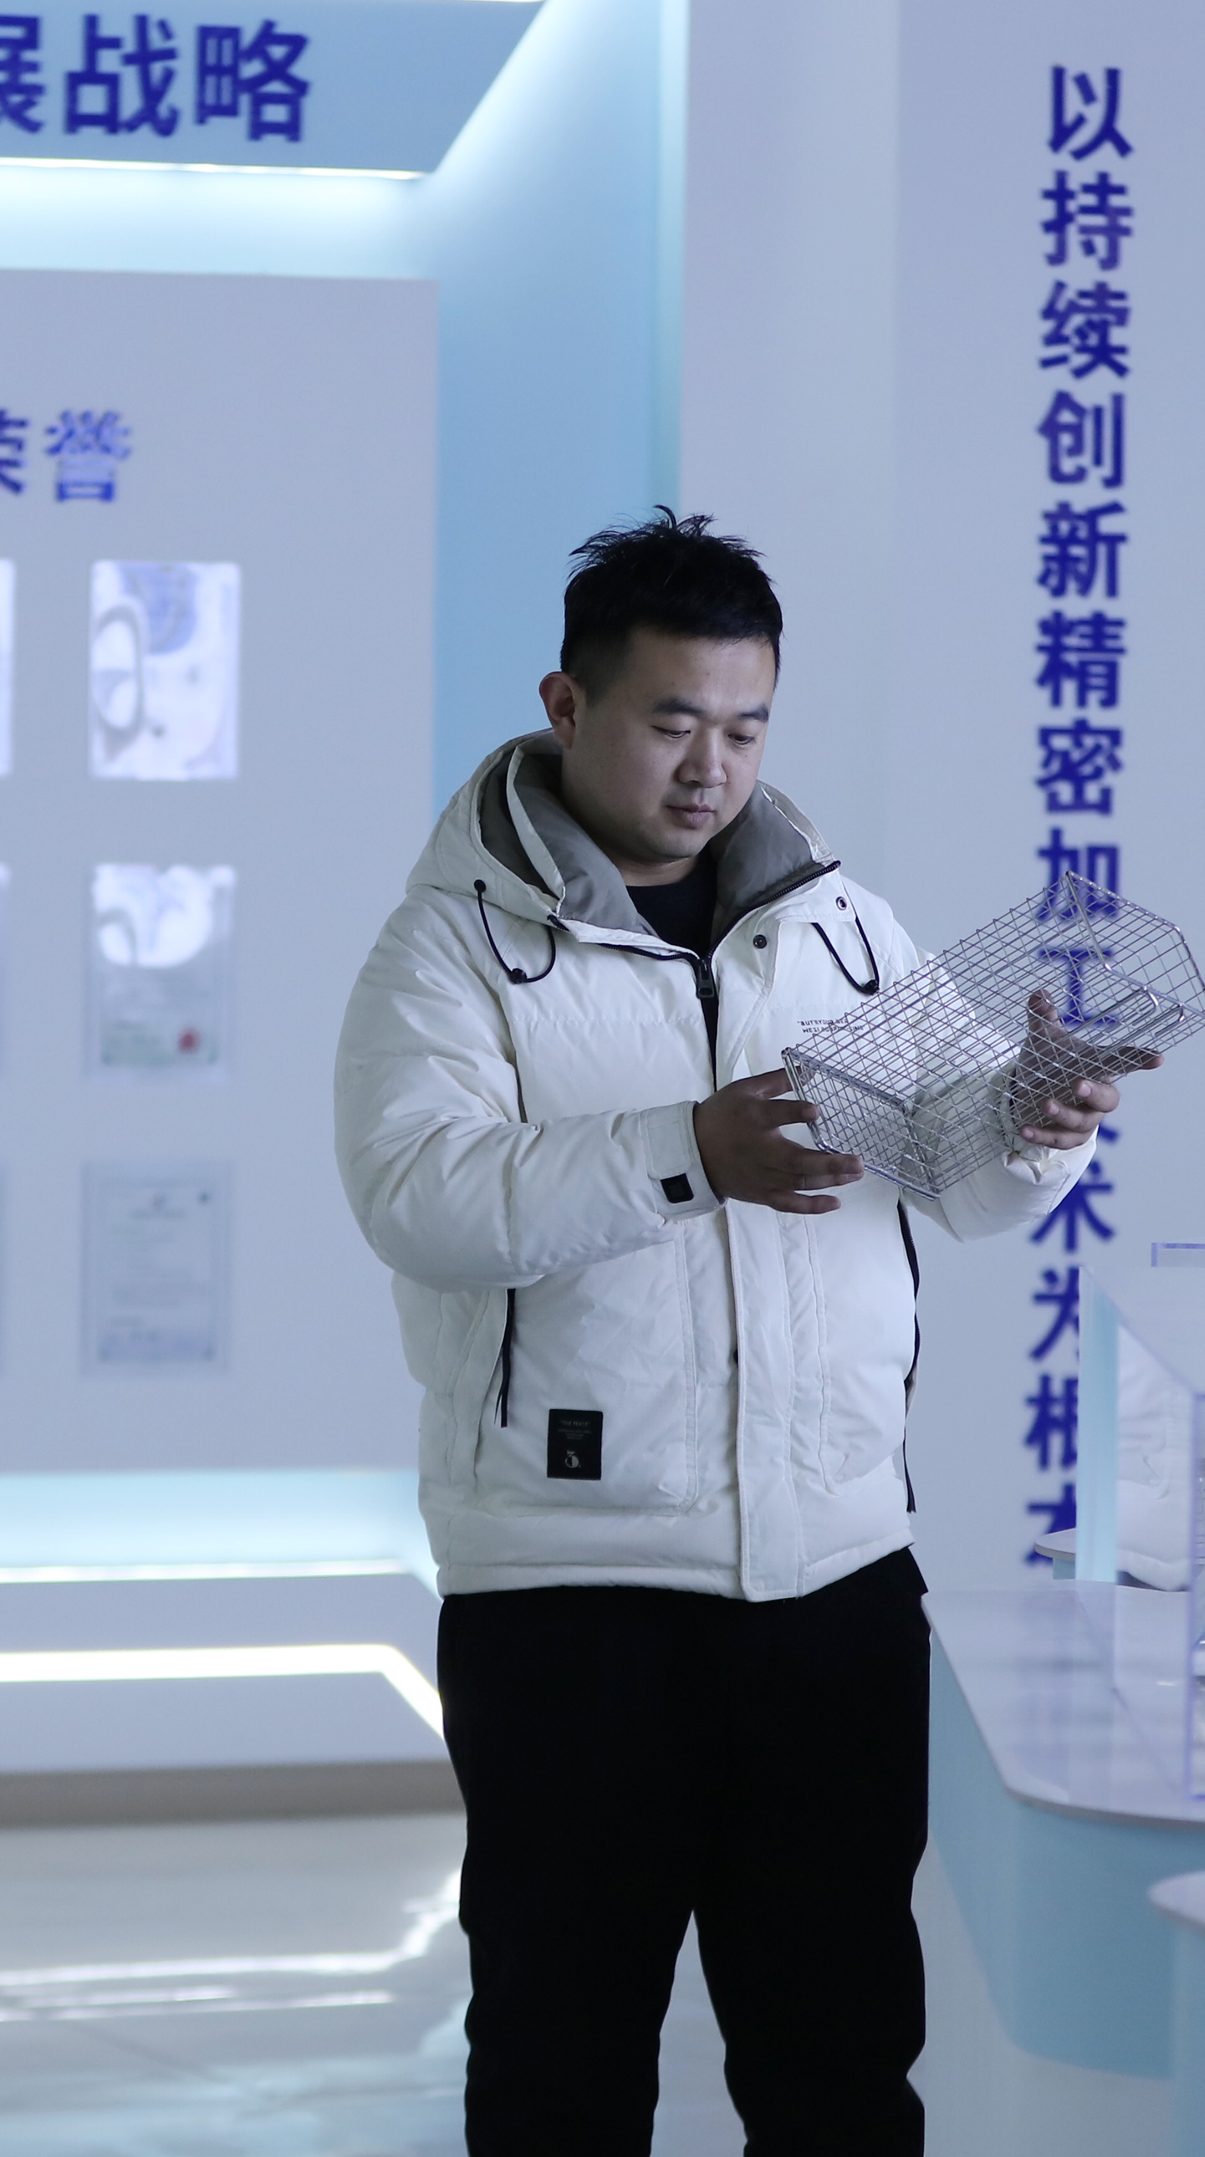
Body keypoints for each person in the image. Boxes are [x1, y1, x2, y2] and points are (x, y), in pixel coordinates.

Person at [333, 511, 1147, 2154]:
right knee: (562, 2073)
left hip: (837, 1586)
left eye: (747, 727)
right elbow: (419, 1196)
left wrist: (1033, 1121)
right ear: (567, 706)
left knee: (841, 2065)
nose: (712, 768)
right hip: (573, 1597)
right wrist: (686, 1151)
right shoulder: (453, 944)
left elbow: (961, 1184)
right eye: (671, 722)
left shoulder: (839, 927)